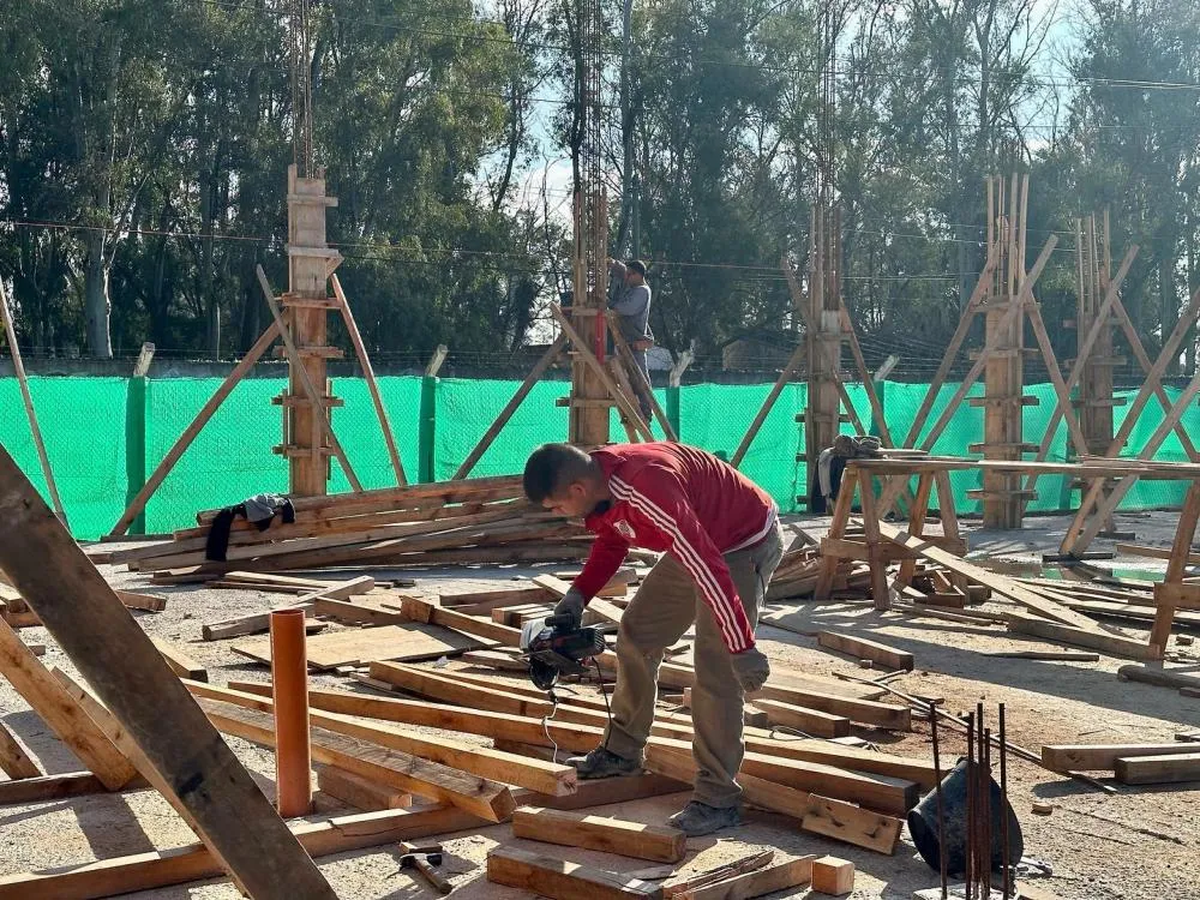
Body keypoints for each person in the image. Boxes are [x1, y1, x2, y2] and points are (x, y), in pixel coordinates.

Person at [523, 441, 783, 836]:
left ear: (577, 490)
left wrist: (742, 646)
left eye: (555, 507)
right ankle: (623, 752)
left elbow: (708, 565)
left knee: (716, 668)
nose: (557, 515)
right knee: (637, 634)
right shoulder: (601, 483)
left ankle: (718, 798)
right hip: (697, 539)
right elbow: (614, 538)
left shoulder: (647, 486)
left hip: (741, 541)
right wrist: (579, 595)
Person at [609, 258, 654, 422]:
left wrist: (610, 305)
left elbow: (627, 309)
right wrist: (613, 264)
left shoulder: (642, 291)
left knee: (640, 381)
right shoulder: (633, 285)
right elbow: (623, 272)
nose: (626, 277)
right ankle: (633, 411)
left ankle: (646, 411)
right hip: (624, 343)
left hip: (634, 342)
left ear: (638, 275)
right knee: (626, 380)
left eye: (630, 274)